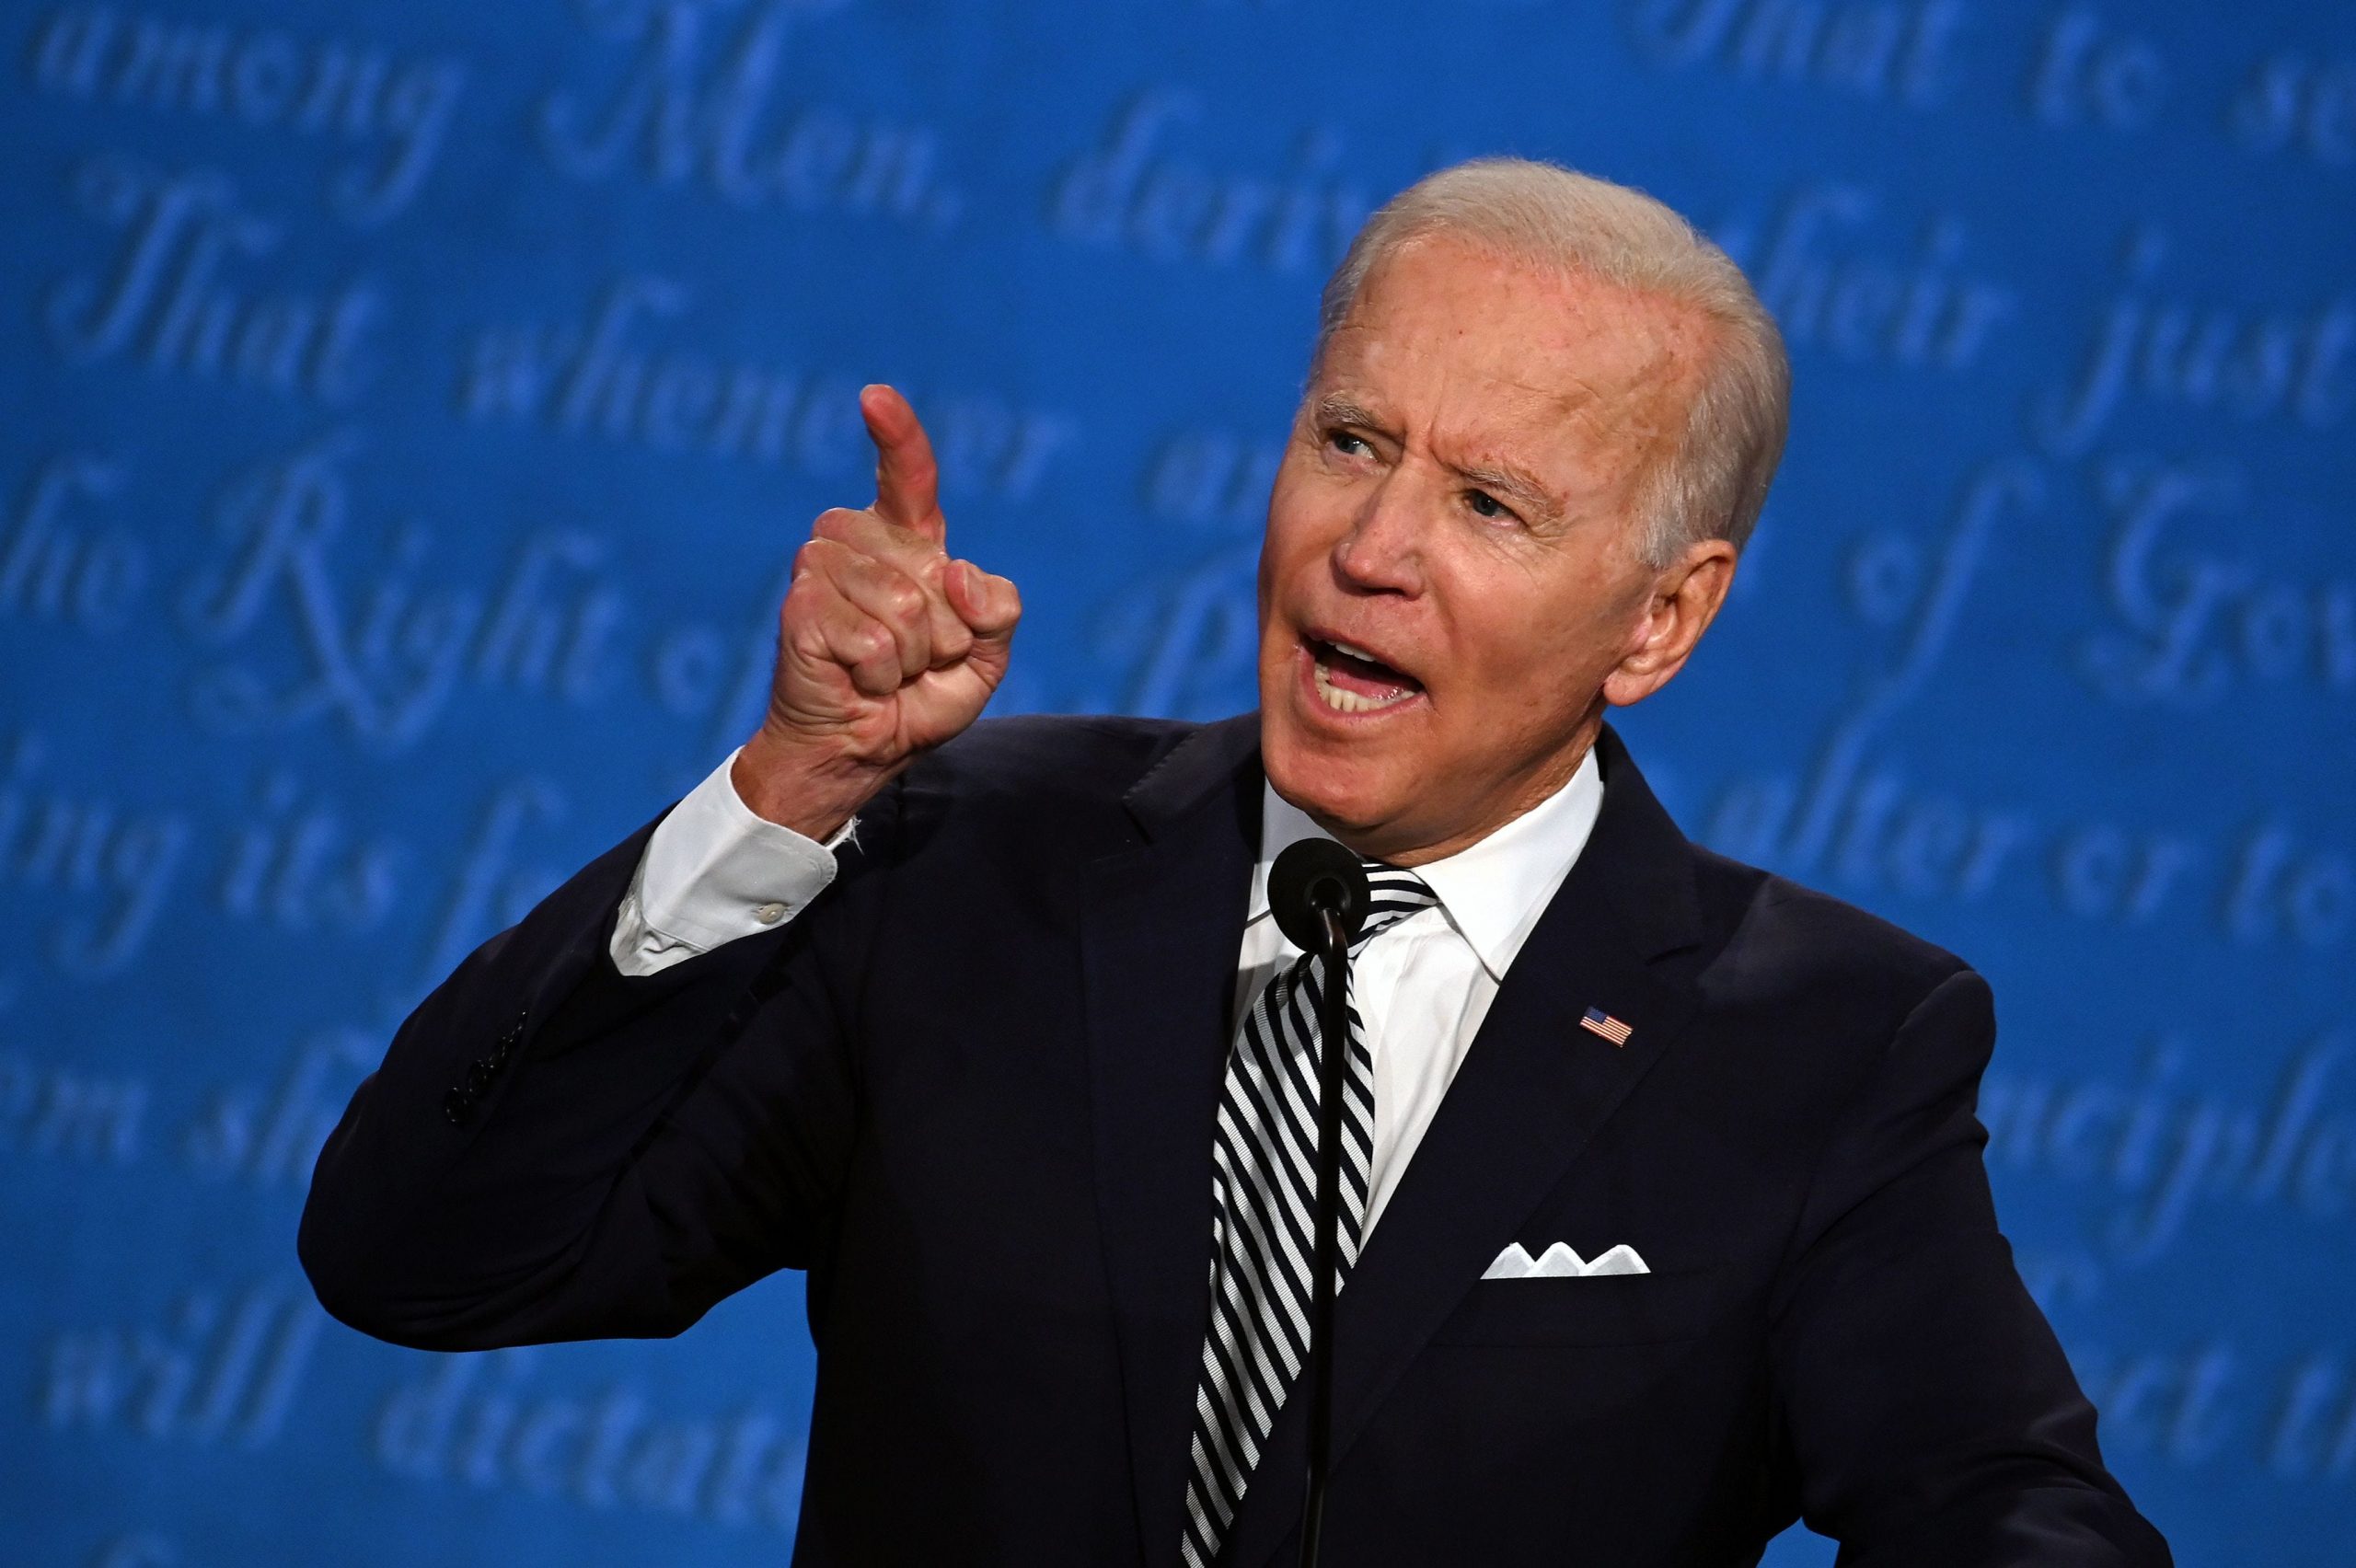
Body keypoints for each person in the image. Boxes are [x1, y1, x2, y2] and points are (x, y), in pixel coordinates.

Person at [299, 158, 2171, 1566]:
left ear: (1658, 621)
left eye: (1487, 503)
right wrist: (786, 797)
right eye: (1349, 440)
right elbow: (423, 1261)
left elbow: (2012, 1525)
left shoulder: (1822, 1049)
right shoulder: (964, 862)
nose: (1371, 545)